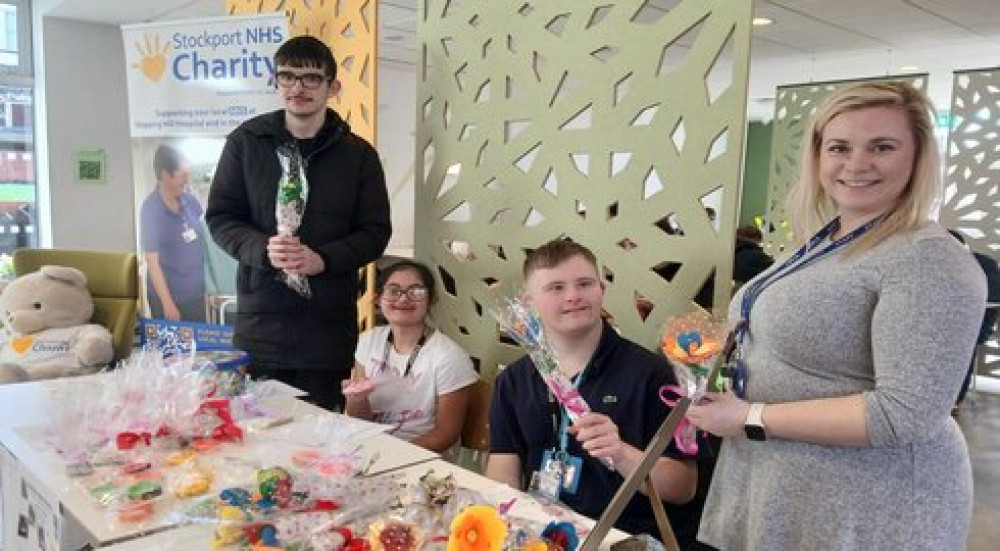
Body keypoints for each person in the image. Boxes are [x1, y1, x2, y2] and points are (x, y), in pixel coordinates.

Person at [686, 82, 986, 550]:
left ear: (918, 156)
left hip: (868, 503)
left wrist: (752, 415)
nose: (856, 164)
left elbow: (903, 414)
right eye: (839, 147)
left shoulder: (928, 260)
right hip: (785, 482)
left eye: (882, 147)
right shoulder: (827, 240)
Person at [206, 36, 391, 411]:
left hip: (326, 330)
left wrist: (324, 258)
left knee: (317, 446)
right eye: (287, 77)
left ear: (332, 87)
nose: (297, 88)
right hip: (261, 324)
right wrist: (261, 248)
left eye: (310, 78)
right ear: (276, 83)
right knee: (256, 435)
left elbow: (375, 232)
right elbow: (221, 217)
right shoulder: (245, 143)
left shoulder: (358, 156)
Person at [486, 238, 710, 548]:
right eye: (556, 288)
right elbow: (504, 470)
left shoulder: (653, 374)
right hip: (544, 534)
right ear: (529, 302)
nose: (573, 296)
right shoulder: (513, 380)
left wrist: (621, 453)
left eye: (584, 284)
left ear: (601, 289)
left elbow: (684, 486)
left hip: (626, 538)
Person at [344, 260, 477, 452]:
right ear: (377, 300)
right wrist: (356, 400)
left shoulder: (449, 357)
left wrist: (396, 454)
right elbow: (360, 420)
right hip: (372, 449)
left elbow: (445, 434)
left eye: (416, 291)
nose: (403, 299)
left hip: (424, 458)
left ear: (432, 299)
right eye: (393, 291)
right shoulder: (368, 341)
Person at [140, 144, 206, 322]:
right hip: (168, 299)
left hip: (196, 296)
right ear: (164, 176)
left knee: (200, 349)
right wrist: (167, 304)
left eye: (187, 175)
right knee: (173, 349)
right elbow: (152, 262)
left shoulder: (191, 202)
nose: (186, 181)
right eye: (181, 176)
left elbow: (204, 245)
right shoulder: (150, 210)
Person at [948, 229, 1000, 407]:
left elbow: (992, 298)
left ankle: (954, 400)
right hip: (948, 321)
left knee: (962, 338)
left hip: (976, 322)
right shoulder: (942, 265)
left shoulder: (985, 264)